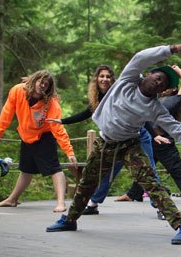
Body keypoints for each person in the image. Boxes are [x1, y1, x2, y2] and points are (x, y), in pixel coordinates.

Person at [45, 43, 181, 245]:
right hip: (104, 143)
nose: (158, 83)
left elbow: (178, 131)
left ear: (163, 91)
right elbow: (141, 56)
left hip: (129, 145)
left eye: (163, 84)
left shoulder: (155, 108)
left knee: (151, 184)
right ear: (149, 74)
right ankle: (70, 220)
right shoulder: (128, 79)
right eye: (158, 77)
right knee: (87, 183)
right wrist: (174, 49)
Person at [46, 65, 161, 215]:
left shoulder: (119, 92)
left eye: (108, 76)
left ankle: (161, 207)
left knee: (148, 170)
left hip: (138, 136)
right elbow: (86, 113)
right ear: (96, 79)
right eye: (102, 76)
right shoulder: (97, 98)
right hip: (116, 139)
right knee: (107, 171)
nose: (104, 79)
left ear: (112, 79)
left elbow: (140, 114)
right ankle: (93, 204)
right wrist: (62, 121)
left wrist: (155, 134)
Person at [121, 65, 181, 215]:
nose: (163, 85)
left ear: (173, 89)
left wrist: (178, 70)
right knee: (145, 168)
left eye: (167, 83)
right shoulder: (154, 100)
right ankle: (132, 194)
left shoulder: (174, 100)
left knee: (176, 168)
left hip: (164, 142)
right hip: (150, 139)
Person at [0, 70, 77, 213]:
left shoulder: (50, 102)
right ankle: (12, 199)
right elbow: (7, 113)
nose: (42, 85)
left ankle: (61, 202)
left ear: (49, 88)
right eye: (41, 82)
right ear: (34, 80)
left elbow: (57, 127)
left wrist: (69, 151)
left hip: (45, 136)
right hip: (26, 136)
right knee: (26, 170)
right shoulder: (17, 91)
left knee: (54, 168)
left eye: (46, 84)